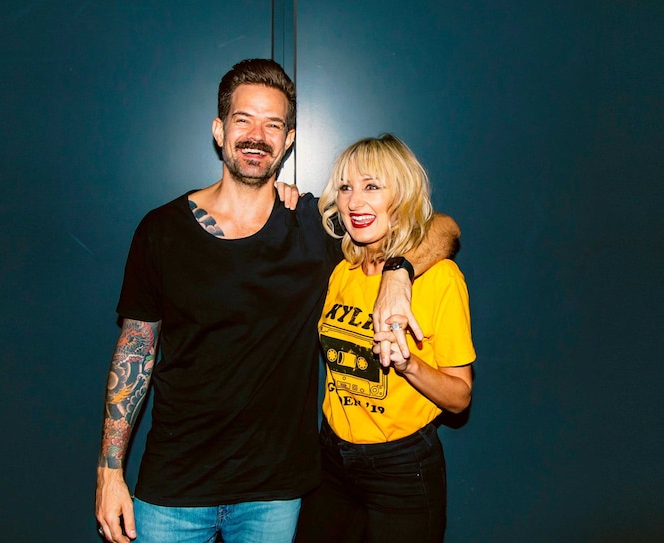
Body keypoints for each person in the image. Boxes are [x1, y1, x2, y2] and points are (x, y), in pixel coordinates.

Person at [94, 59, 461, 543]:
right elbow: (135, 350)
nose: (256, 135)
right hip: (172, 489)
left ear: (287, 140)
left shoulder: (314, 225)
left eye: (273, 124)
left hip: (274, 496)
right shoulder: (161, 230)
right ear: (219, 129)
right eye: (243, 119)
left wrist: (400, 272)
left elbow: (443, 228)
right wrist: (109, 470)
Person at [295, 134, 476, 543]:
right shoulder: (343, 271)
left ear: (403, 195)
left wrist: (409, 364)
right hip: (332, 461)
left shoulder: (440, 278)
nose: (354, 202)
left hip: (401, 469)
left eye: (372, 186)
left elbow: (460, 396)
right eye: (345, 187)